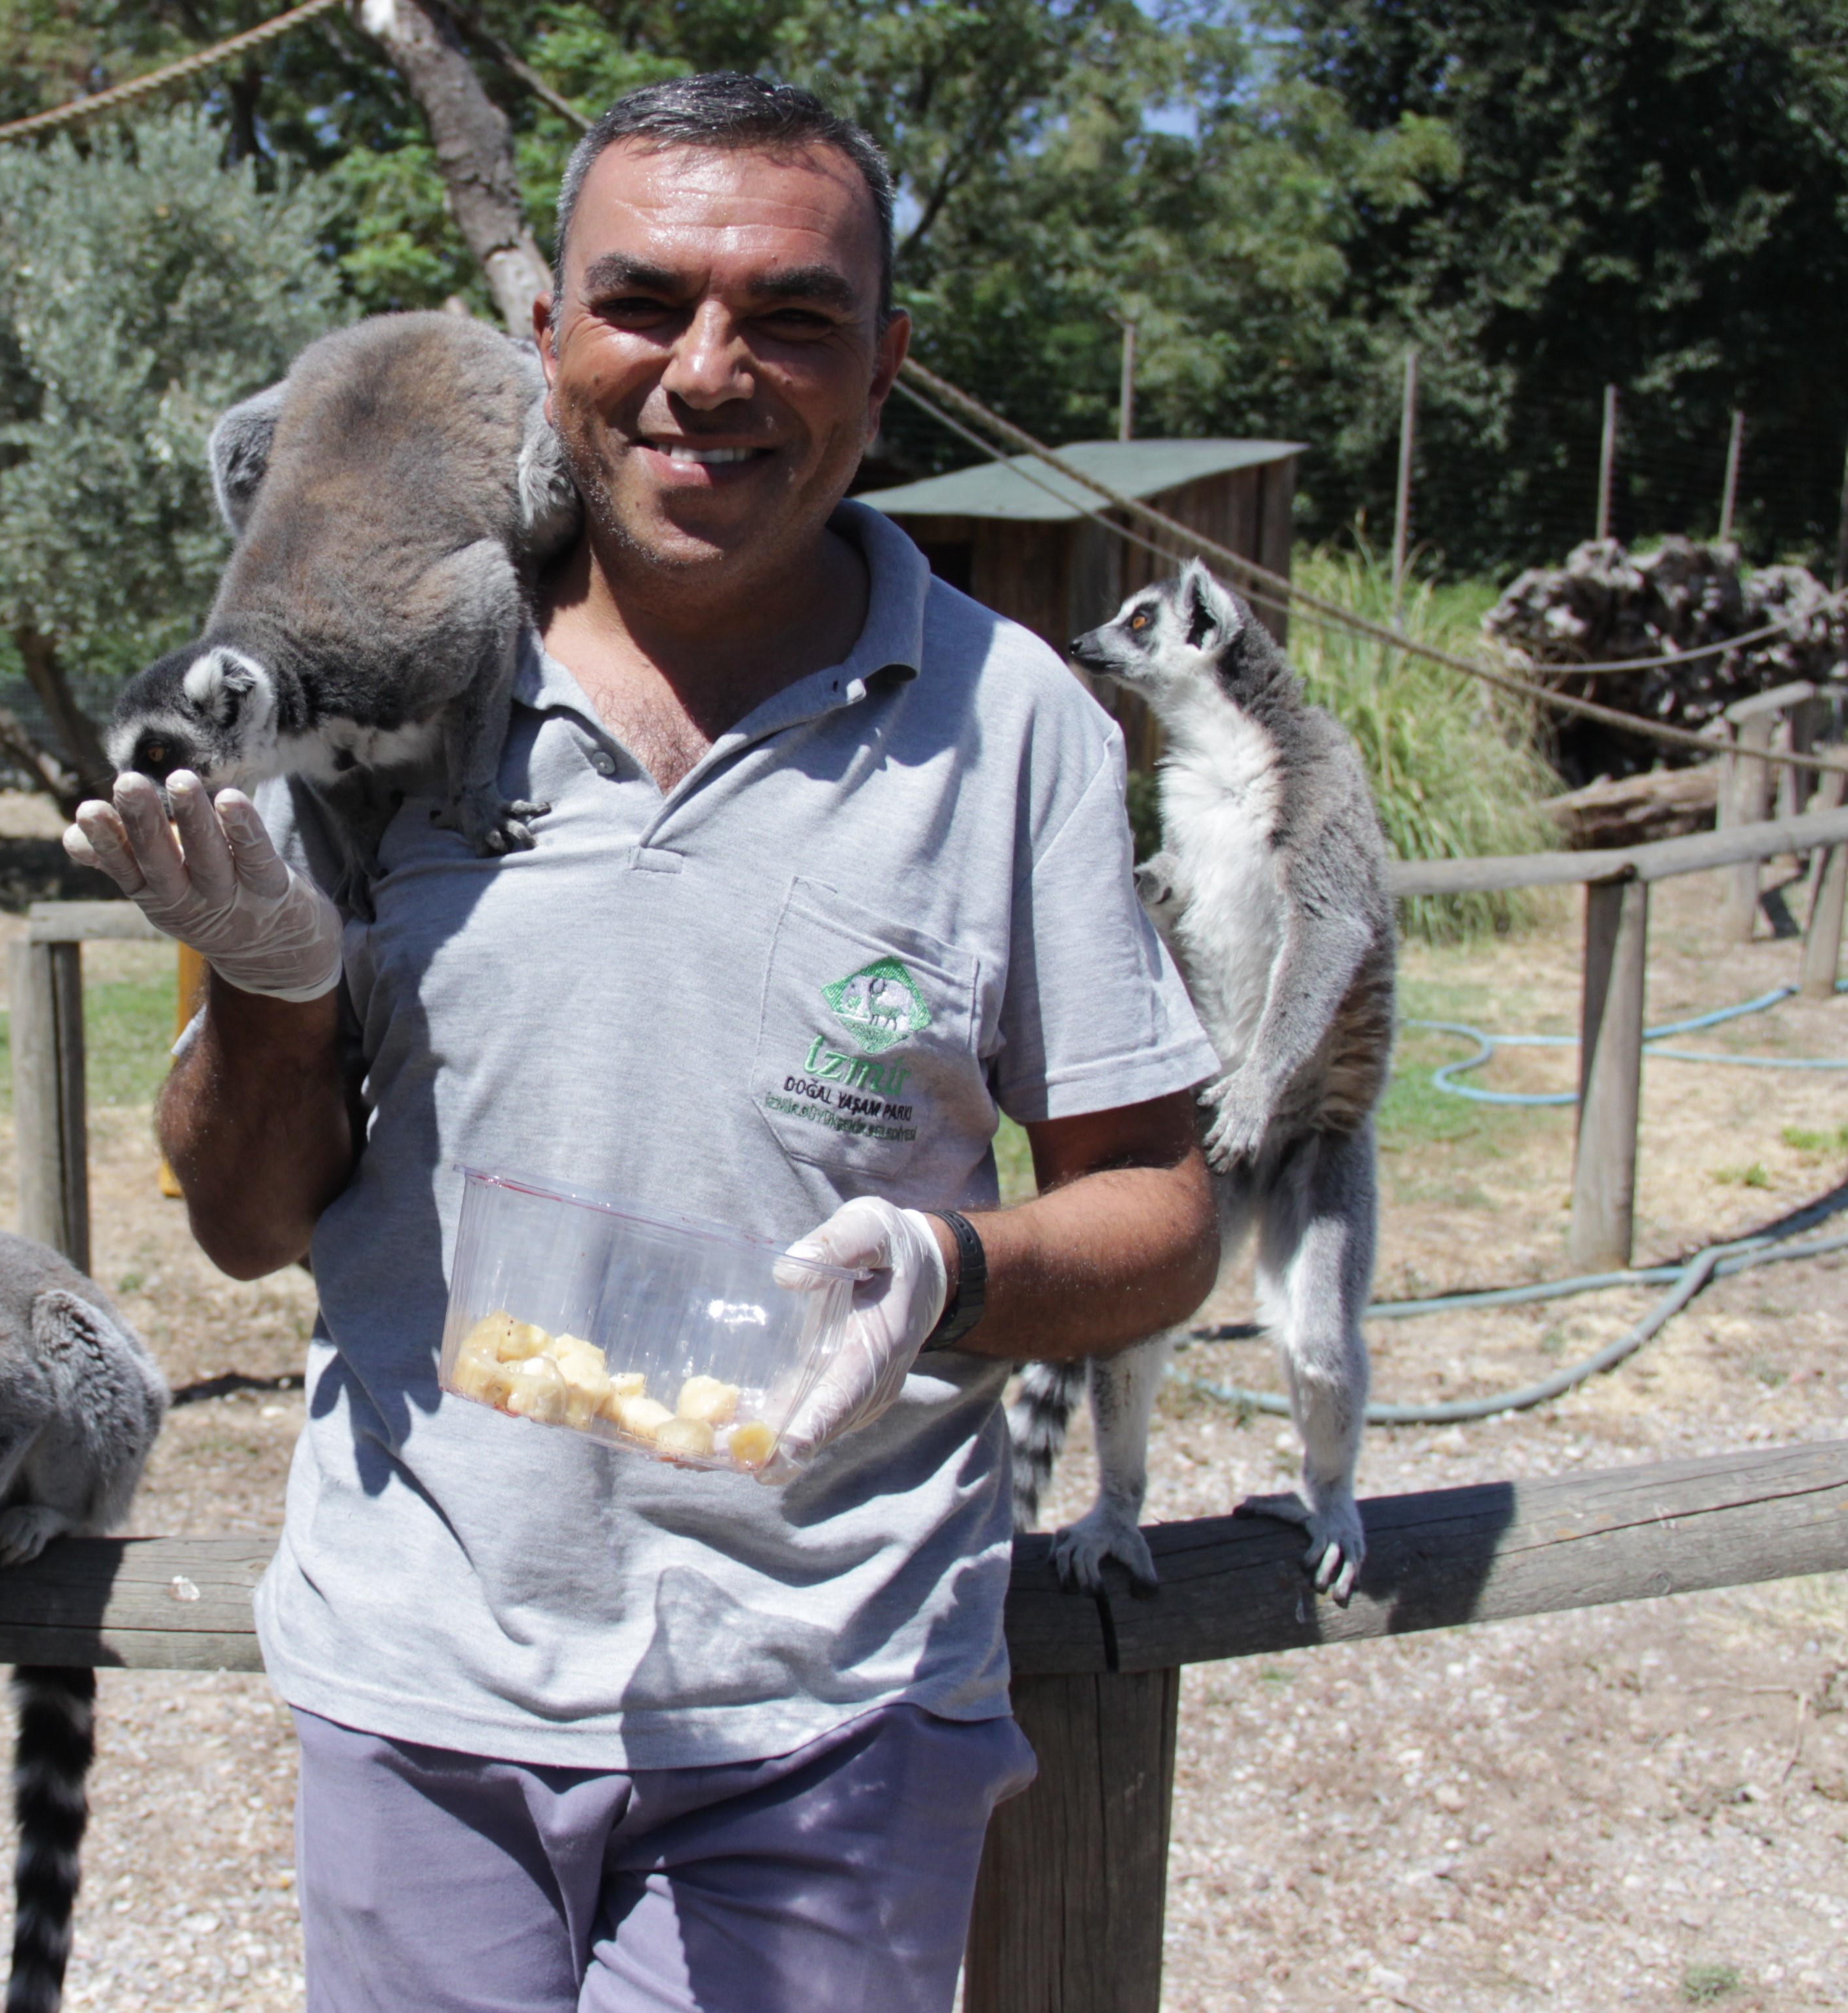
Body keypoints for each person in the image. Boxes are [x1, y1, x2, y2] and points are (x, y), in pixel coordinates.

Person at [64, 72, 1221, 2013]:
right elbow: (250, 1223)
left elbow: (1161, 1216)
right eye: (643, 303)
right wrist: (264, 982)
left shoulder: (1011, 721)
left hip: (831, 1703)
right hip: (425, 1675)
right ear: (543, 344)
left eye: (790, 314)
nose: (709, 369)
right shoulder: (383, 687)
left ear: (883, 362)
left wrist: (950, 1273)